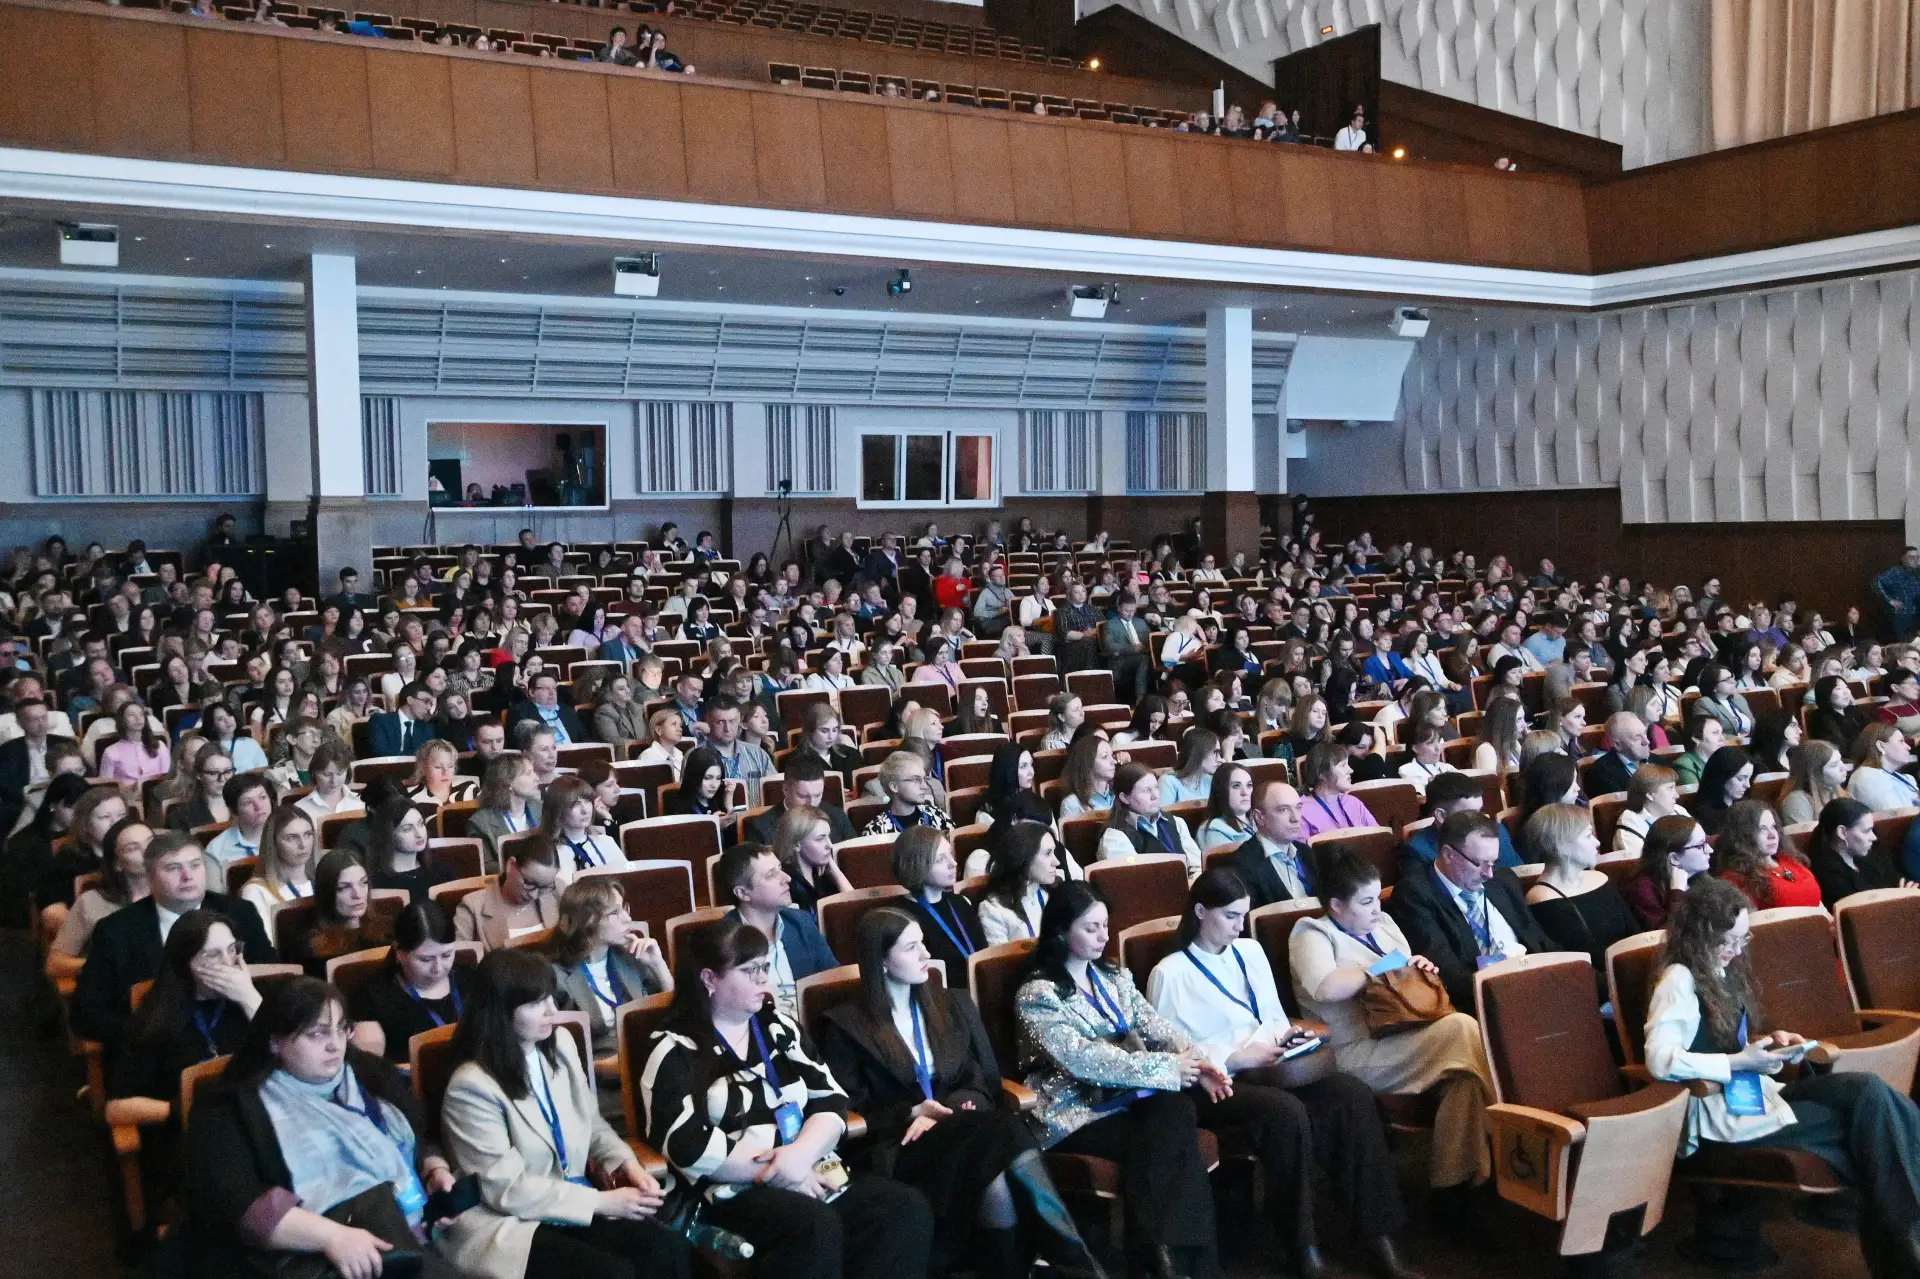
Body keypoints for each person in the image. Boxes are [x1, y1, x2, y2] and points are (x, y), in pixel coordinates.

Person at [1148, 871, 1417, 1279]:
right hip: (1217, 1083)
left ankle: (1379, 1238)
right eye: (1230, 916)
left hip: (1272, 1068)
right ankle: (1303, 1250)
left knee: (1349, 1094)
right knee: (1285, 1113)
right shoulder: (1170, 973)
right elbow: (1172, 1054)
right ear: (1200, 912)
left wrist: (1289, 1037)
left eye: (1243, 915)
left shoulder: (1250, 951)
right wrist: (1236, 1057)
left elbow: (1272, 1017)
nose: (1239, 926)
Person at [1645, 877, 1920, 1269]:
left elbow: (1726, 1041)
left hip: (1752, 1094)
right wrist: (1741, 1062)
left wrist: (1771, 1043)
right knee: (1871, 1127)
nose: (1736, 950)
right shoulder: (1679, 979)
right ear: (1700, 936)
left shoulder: (1720, 970)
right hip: (1719, 1113)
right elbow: (1660, 1059)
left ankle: (1904, 1238)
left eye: (1742, 939)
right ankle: (1904, 1245)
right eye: (1727, 941)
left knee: (1868, 1091)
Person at [638, 919, 934, 1279]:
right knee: (813, 1225)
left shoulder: (779, 1027)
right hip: (726, 1191)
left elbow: (831, 1100)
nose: (764, 979)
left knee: (903, 1207)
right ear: (709, 979)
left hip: (809, 1166)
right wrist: (781, 1172)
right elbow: (685, 1143)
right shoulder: (672, 1048)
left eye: (765, 967)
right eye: (750, 970)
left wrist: (800, 1156)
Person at [819, 908, 1101, 1279]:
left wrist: (951, 1107)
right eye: (911, 948)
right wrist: (912, 1112)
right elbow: (849, 1111)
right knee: (1002, 1133)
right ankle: (1077, 1264)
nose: (926, 954)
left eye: (923, 943)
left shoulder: (951, 1004)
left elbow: (980, 1079)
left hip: (963, 1127)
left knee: (994, 1164)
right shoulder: (846, 1026)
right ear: (882, 961)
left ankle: (1023, 1270)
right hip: (900, 1143)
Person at [181, 975, 462, 1278]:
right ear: (275, 1041)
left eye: (341, 1029)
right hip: (307, 1253)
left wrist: (433, 1169)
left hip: (404, 1235)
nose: (334, 1045)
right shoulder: (229, 1108)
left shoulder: (367, 1073)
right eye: (317, 1034)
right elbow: (240, 1205)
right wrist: (332, 1237)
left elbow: (419, 1131)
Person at [438, 948, 693, 1279]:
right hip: (509, 1221)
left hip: (570, 1198)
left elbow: (591, 1123)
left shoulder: (559, 1044)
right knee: (611, 1273)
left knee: (668, 1248)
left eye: (550, 997)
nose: (553, 1011)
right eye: (535, 1003)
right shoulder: (471, 1086)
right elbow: (505, 1188)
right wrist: (602, 1203)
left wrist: (626, 1164)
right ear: (500, 1011)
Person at [1013, 882, 1220, 1279]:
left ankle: (1160, 1256)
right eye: (1091, 928)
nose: (1103, 936)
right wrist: (1168, 1068)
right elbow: (1081, 1060)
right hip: (1075, 1108)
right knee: (1171, 1132)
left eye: (1105, 926)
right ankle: (1181, 1262)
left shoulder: (1114, 976)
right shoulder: (1038, 994)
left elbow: (1158, 1028)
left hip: (1128, 1094)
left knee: (1175, 1110)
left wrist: (1198, 1064)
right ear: (1061, 931)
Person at [1289, 849, 1494, 1206]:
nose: (1377, 909)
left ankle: (1452, 1192)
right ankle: (1515, 1134)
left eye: (1377, 897)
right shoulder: (1312, 933)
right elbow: (1325, 987)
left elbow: (1402, 980)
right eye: (1366, 902)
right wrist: (1379, 970)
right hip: (1353, 1051)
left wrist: (1416, 967)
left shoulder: (1383, 925)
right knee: (1462, 1028)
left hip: (1406, 1033)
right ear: (1336, 905)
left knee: (1465, 1081)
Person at [71, 831, 276, 1045]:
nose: (187, 875)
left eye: (195, 865)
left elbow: (273, 979)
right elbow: (86, 1013)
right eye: (173, 868)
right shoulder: (116, 930)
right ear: (150, 877)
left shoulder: (241, 913)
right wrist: (146, 1035)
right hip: (154, 1047)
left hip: (237, 1037)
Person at [1385, 812, 1553, 1013]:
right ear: (1448, 854)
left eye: (1493, 863)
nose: (1489, 874)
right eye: (1480, 864)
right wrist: (1512, 987)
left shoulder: (1503, 879)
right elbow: (1448, 974)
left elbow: (1539, 940)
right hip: (1483, 1001)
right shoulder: (1414, 895)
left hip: (1536, 980)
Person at [109, 907, 262, 1103]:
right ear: (186, 963)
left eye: (232, 949)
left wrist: (249, 998)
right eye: (213, 954)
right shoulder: (156, 1017)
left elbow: (287, 1060)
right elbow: (118, 1107)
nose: (227, 962)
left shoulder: (254, 997)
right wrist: (182, 1111)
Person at [1521, 805, 1640, 996]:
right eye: (1587, 836)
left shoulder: (1600, 879)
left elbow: (1634, 934)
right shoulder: (1543, 898)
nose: (1597, 842)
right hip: (1597, 992)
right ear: (1561, 846)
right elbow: (1582, 963)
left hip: (1628, 978)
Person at [550, 877, 672, 1061]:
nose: (628, 918)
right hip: (601, 1071)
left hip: (649, 1056)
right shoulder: (556, 976)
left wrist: (658, 964)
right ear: (589, 920)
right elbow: (559, 1051)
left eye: (624, 908)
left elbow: (675, 1012)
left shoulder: (630, 956)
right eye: (616, 912)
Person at [716, 842, 838, 1019]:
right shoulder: (724, 942)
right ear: (743, 893)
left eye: (780, 868)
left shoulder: (801, 922)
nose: (786, 878)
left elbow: (834, 981)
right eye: (771, 875)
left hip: (814, 1025)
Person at [346, 900, 474, 1063]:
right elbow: (371, 1069)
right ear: (399, 953)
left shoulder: (473, 980)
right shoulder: (372, 999)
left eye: (446, 955)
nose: (438, 968)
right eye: (426, 959)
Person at [891, 826, 984, 980]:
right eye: (940, 859)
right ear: (918, 866)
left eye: (950, 854)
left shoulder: (961, 902)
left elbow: (982, 954)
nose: (953, 863)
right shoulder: (900, 917)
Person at [281, 848, 391, 977]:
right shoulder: (309, 948)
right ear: (327, 893)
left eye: (363, 883)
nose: (358, 895)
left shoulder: (389, 931)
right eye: (344, 887)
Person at [1097, 762, 1203, 877]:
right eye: (1146, 790)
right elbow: (1135, 880)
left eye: (1156, 788)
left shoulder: (1177, 823)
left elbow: (1198, 866)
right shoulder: (1115, 837)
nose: (1155, 796)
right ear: (1125, 798)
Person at [456, 836, 562, 950]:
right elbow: (461, 958)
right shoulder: (472, 907)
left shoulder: (558, 892)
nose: (534, 895)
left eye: (544, 887)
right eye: (529, 883)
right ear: (511, 865)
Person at [1714, 798, 1821, 909]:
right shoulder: (1736, 879)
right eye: (1762, 829)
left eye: (1773, 827)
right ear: (1742, 836)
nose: (1772, 835)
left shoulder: (1789, 859)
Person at [1808, 797, 1905, 907]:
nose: (1874, 837)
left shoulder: (1871, 854)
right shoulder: (1826, 873)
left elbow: (1903, 883)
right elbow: (1862, 910)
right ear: (1842, 833)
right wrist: (1899, 897)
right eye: (1866, 831)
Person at [239, 805, 318, 939]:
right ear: (273, 843)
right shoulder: (256, 892)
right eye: (291, 838)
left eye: (308, 834)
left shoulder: (324, 881)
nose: (303, 845)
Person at [977, 822, 1062, 946]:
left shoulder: (1056, 892)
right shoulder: (993, 910)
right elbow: (1002, 959)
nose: (1057, 862)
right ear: (1024, 857)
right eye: (1048, 853)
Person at [470, 754, 545, 873]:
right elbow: (485, 868)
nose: (536, 778)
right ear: (508, 782)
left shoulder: (542, 809)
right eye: (528, 773)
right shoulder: (480, 823)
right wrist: (526, 869)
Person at [540, 775, 626, 873]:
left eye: (587, 801)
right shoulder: (549, 854)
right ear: (557, 810)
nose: (585, 810)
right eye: (575, 804)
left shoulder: (606, 842)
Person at [1295, 742, 1378, 838]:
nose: (1351, 770)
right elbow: (1301, 847)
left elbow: (1379, 838)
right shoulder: (1301, 811)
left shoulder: (1353, 802)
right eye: (1343, 765)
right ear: (1322, 774)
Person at [863, 751, 954, 837]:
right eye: (915, 780)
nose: (924, 786)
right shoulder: (875, 831)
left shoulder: (937, 815)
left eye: (924, 779)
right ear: (894, 787)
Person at [1614, 761, 1683, 855]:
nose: (1677, 795)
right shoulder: (1629, 824)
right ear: (1650, 795)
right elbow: (1641, 863)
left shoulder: (1678, 810)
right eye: (1670, 788)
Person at [1847, 723, 1920, 812]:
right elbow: (1896, 815)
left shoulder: (1905, 778)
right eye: (1901, 741)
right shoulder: (1867, 777)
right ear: (1881, 746)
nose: (1908, 747)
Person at [1779, 739, 1850, 825]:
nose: (1844, 768)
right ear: (1814, 774)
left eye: (1841, 761)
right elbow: (1807, 834)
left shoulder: (1835, 791)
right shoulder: (1796, 801)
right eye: (1834, 765)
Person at [1583, 711, 1650, 798]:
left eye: (1645, 733)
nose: (1646, 741)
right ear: (1618, 744)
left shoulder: (1658, 760)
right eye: (1637, 737)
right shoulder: (1601, 774)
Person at [1691, 746, 1756, 835]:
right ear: (1722, 777)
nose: (1747, 785)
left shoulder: (1747, 805)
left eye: (1749, 778)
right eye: (1740, 779)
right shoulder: (1702, 815)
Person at [1056, 734, 1116, 818]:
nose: (1114, 761)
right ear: (1087, 763)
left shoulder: (1120, 794)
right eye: (1105, 756)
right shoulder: (1072, 803)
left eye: (1112, 755)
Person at [1157, 729, 1220, 807]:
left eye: (1219, 753)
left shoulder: (1211, 780)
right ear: (1198, 753)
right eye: (1215, 752)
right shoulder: (1168, 782)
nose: (1219, 759)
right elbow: (1164, 814)